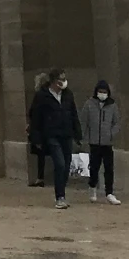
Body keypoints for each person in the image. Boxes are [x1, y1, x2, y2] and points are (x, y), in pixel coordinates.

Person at [27, 70, 81, 210]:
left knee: (66, 166)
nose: (63, 81)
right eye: (61, 79)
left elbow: (73, 114)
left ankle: (62, 193)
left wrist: (77, 133)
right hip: (51, 135)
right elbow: (35, 117)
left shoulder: (68, 94)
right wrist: (36, 138)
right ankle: (60, 197)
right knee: (60, 164)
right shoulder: (42, 96)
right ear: (53, 81)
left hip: (66, 134)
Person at [81, 79, 122, 205]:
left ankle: (109, 192)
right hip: (94, 142)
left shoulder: (112, 105)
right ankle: (92, 187)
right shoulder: (89, 104)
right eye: (100, 91)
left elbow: (117, 122)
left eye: (104, 92)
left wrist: (111, 134)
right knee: (94, 167)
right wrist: (83, 137)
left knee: (109, 168)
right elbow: (84, 121)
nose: (102, 94)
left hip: (107, 142)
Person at [24, 72, 48, 188]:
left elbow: (34, 113)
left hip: (40, 129)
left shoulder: (40, 95)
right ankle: (40, 177)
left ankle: (40, 177)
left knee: (40, 154)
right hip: (43, 127)